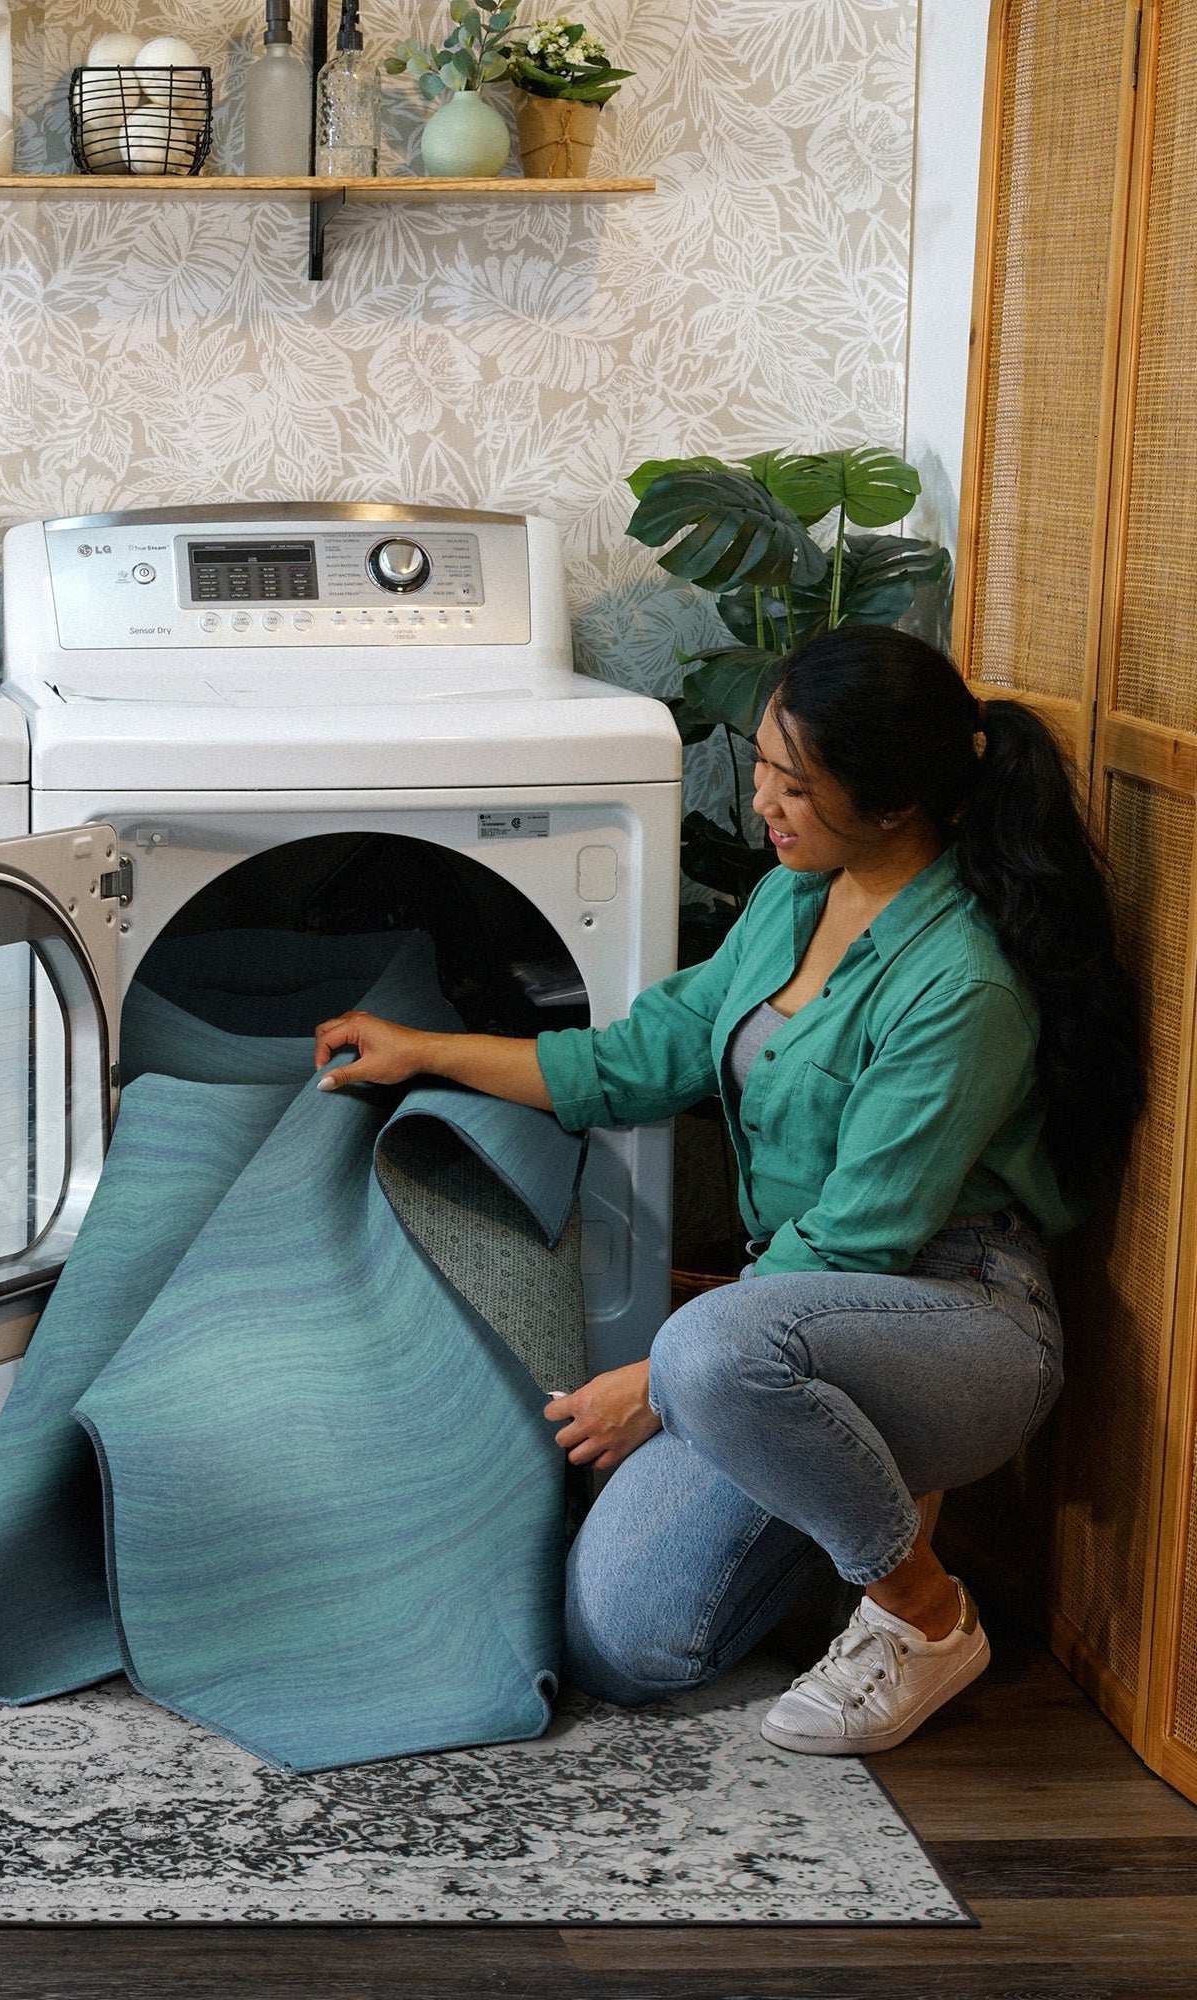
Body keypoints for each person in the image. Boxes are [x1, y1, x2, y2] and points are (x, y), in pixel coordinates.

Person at [310, 626, 1142, 1755]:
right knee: (618, 1643)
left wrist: (652, 1385)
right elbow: (639, 1057)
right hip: (781, 1323)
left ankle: (923, 1615)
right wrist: (428, 1048)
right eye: (759, 766)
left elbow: (861, 1237)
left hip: (957, 1317)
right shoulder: (792, 900)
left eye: (791, 783)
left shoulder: (962, 984)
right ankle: (834, 1488)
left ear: (894, 803)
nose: (760, 801)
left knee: (706, 1351)